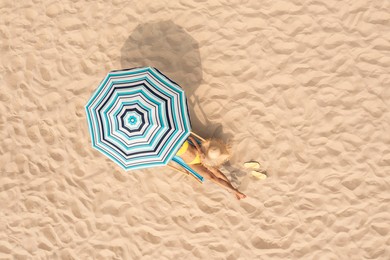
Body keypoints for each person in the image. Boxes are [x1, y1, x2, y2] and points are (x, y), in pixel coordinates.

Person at [175, 135, 247, 200]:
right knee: (211, 177)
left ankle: (233, 190)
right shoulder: (171, 149)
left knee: (216, 172)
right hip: (193, 164)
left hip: (202, 156)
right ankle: (234, 190)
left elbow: (192, 140)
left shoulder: (179, 137)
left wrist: (200, 151)